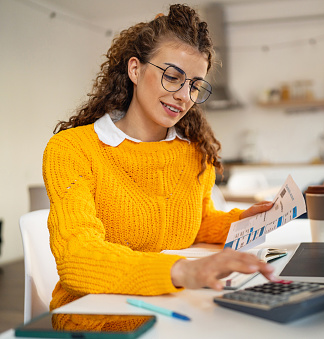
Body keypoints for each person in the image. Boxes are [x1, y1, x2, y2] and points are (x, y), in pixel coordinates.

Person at [42, 4, 275, 312]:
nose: (183, 96)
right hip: (97, 317)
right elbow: (78, 255)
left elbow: (196, 223)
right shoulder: (73, 149)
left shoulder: (194, 151)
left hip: (173, 305)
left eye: (194, 85)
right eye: (172, 76)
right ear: (135, 69)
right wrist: (182, 271)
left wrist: (244, 221)